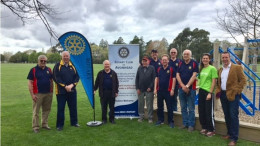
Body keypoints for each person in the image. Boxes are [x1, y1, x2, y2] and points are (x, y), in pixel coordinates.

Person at [216, 52, 246, 146]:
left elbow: (243, 80)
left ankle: (234, 138)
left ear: (229, 58)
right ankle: (229, 133)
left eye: (226, 57)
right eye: (223, 57)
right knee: (227, 115)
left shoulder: (236, 67)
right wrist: (218, 90)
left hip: (233, 95)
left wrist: (237, 91)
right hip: (223, 95)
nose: (224, 59)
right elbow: (219, 82)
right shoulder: (220, 69)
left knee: (233, 116)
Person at [53, 51, 80, 131]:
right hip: (61, 92)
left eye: (67, 56)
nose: (66, 57)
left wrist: (72, 85)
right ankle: (60, 125)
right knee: (61, 108)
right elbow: (56, 78)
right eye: (64, 56)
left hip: (72, 90)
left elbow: (77, 77)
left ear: (69, 57)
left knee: (73, 107)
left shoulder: (73, 65)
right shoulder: (57, 66)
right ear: (62, 57)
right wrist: (65, 86)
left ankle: (74, 122)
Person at [27, 55, 53, 133]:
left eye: (45, 61)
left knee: (46, 110)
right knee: (36, 111)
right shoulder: (33, 70)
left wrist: (51, 92)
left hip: (48, 93)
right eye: (41, 60)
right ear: (38, 61)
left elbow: (51, 81)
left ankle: (44, 124)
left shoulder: (49, 69)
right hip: (38, 94)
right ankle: (35, 127)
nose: (43, 62)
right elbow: (30, 83)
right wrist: (32, 95)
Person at [176, 49, 198, 132]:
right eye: (184, 54)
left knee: (191, 108)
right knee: (183, 107)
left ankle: (191, 125)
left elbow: (194, 75)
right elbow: (177, 75)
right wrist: (182, 86)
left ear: (190, 55)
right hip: (181, 89)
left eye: (187, 54)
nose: (185, 55)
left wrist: (187, 86)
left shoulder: (194, 63)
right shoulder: (180, 63)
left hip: (191, 89)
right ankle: (185, 123)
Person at [198, 53, 218, 137]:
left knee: (208, 111)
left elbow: (214, 81)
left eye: (206, 58)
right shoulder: (201, 69)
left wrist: (210, 93)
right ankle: (204, 127)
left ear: (209, 59)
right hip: (201, 91)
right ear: (202, 60)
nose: (205, 60)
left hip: (208, 92)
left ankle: (211, 129)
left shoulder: (212, 68)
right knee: (201, 111)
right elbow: (199, 80)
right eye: (203, 58)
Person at [154, 54, 176, 128]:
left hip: (168, 91)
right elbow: (156, 79)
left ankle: (171, 122)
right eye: (163, 60)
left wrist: (172, 89)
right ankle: (160, 120)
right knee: (160, 106)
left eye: (165, 60)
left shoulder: (171, 69)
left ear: (168, 61)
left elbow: (174, 79)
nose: (164, 61)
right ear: (161, 61)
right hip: (160, 91)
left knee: (169, 107)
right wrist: (155, 89)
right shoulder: (159, 69)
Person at [94, 60, 119, 124]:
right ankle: (104, 120)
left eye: (108, 64)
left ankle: (112, 119)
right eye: (105, 64)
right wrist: (94, 89)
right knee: (104, 107)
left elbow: (117, 83)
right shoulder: (100, 73)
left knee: (112, 107)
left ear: (110, 65)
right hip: (103, 93)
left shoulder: (114, 73)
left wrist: (116, 91)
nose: (107, 66)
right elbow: (96, 82)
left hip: (112, 93)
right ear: (103, 65)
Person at [135, 55, 156, 123]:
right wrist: (137, 88)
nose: (144, 62)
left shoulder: (152, 68)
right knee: (141, 104)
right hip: (141, 89)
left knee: (149, 104)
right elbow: (137, 78)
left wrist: (150, 87)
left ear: (148, 62)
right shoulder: (139, 68)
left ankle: (150, 118)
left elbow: (154, 79)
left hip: (149, 89)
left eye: (145, 61)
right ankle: (141, 116)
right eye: (143, 61)